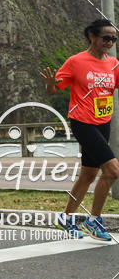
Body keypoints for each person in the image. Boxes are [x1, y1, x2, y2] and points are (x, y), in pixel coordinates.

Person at [41, 18, 119, 241]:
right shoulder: (76, 62)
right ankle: (94, 221)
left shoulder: (113, 64)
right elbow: (54, 90)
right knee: (113, 171)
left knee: (89, 174)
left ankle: (65, 218)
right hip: (83, 122)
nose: (110, 42)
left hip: (104, 122)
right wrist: (49, 83)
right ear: (92, 36)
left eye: (113, 38)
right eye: (106, 38)